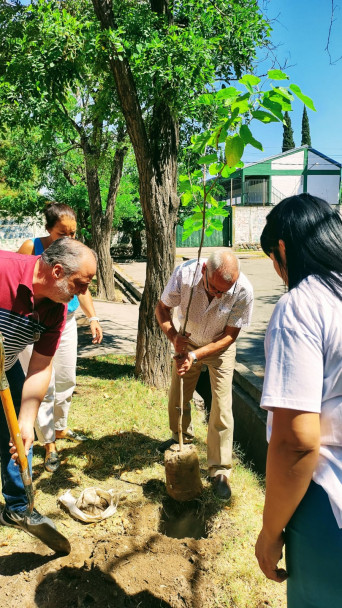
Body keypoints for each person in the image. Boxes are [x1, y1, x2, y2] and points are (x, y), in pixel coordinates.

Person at [255, 194, 342, 607]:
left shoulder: (303, 305)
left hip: (329, 503)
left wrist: (270, 533)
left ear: (283, 250)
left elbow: (296, 442)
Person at [0, 238, 97, 532]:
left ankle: (18, 508)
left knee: (19, 436)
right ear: (56, 271)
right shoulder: (4, 269)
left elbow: (40, 366)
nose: (82, 294)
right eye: (79, 284)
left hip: (6, 369)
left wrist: (27, 422)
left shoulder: (55, 310)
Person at [155, 250, 253, 499]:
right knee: (178, 395)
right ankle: (181, 439)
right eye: (215, 289)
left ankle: (219, 469)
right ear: (203, 272)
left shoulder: (242, 290)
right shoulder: (184, 275)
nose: (220, 296)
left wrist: (197, 357)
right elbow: (162, 309)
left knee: (221, 405)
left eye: (225, 292)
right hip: (186, 342)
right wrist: (174, 337)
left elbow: (230, 335)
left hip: (219, 347)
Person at [18, 202, 103, 473]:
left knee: (66, 378)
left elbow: (82, 287)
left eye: (73, 234)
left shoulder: (74, 252)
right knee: (45, 383)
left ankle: (60, 427)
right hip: (36, 323)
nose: (69, 239)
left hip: (65, 321)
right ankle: (48, 444)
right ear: (48, 230)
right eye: (61, 234)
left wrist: (93, 318)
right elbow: (20, 276)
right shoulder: (32, 247)